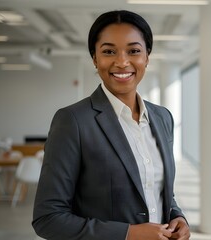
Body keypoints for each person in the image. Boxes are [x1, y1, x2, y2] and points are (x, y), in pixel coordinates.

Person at [32, 10, 190, 240]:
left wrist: (178, 217)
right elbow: (48, 218)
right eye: (109, 51)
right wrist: (129, 233)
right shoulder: (73, 121)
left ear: (147, 56)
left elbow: (157, 190)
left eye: (134, 51)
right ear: (95, 59)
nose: (122, 61)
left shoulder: (162, 117)